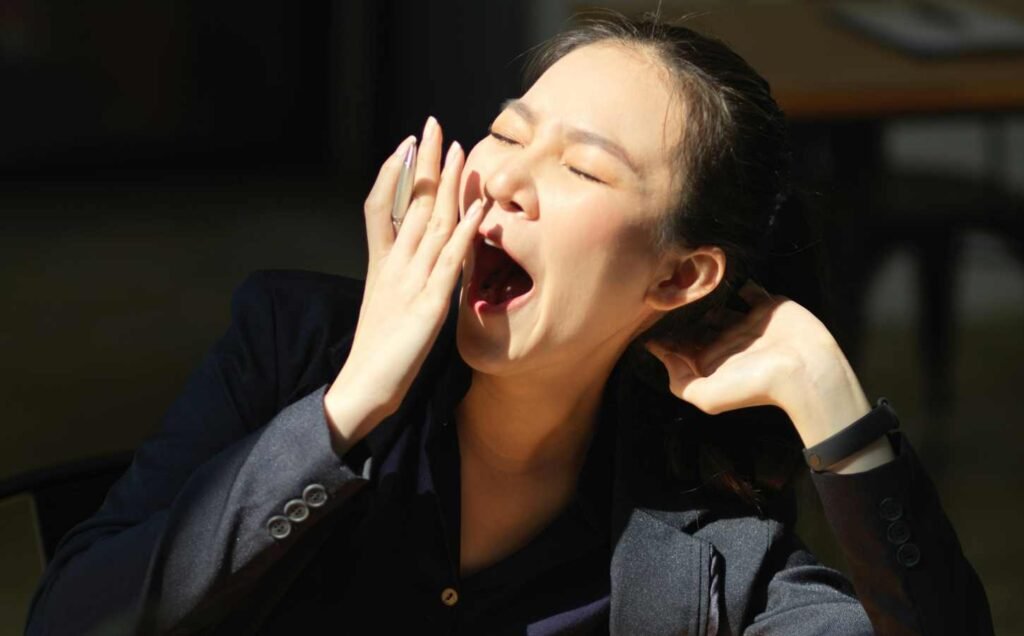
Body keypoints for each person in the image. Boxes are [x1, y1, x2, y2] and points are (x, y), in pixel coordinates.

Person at [27, 15, 992, 635]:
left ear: (680, 274)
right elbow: (72, 620)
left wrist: (835, 405)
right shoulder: (290, 346)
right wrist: (347, 408)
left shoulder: (708, 535)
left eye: (582, 169)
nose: (510, 182)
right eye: (508, 133)